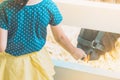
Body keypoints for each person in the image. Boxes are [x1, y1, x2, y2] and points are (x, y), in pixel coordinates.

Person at [0, 0, 86, 80]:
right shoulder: (48, 5)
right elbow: (60, 37)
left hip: (12, 65)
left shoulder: (5, 7)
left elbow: (1, 47)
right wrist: (73, 51)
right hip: (38, 61)